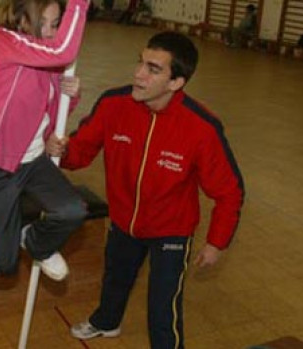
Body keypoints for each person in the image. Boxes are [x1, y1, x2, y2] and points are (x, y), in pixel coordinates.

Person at [46, 32, 245, 348]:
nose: (138, 73)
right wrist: (59, 149)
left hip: (171, 231)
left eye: (153, 69)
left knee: (162, 308)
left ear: (176, 82)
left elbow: (229, 191)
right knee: (115, 279)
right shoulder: (113, 104)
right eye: (140, 62)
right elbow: (79, 153)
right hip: (125, 221)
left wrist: (217, 242)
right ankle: (107, 322)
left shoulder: (201, 127)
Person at [0, 0, 91, 280]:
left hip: (32, 160)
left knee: (73, 211)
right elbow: (61, 50)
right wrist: (79, 4)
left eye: (55, 24)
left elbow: (49, 112)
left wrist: (70, 96)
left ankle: (32, 240)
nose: (49, 32)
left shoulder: (51, 63)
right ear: (21, 19)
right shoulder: (5, 40)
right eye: (41, 23)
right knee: (4, 266)